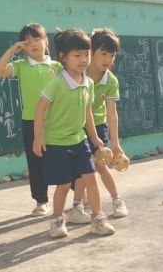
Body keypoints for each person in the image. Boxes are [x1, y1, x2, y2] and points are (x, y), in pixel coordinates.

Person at [33, 28, 115, 238]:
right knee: (64, 184)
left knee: (90, 178)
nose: (83, 60)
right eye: (77, 55)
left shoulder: (88, 83)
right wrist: (38, 137)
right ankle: (58, 221)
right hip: (56, 142)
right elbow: (40, 108)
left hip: (79, 141)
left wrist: (95, 138)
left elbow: (87, 111)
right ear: (63, 57)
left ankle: (98, 219)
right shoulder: (57, 82)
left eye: (86, 54)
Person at [0, 23, 60, 216]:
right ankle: (41, 201)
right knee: (36, 162)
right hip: (31, 121)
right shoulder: (21, 66)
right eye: (28, 42)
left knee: (63, 158)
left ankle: (79, 196)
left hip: (57, 121)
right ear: (23, 47)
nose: (34, 44)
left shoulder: (58, 67)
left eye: (37, 39)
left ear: (46, 41)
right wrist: (12, 51)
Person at [69, 28, 128, 219]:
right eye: (103, 53)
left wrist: (116, 144)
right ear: (91, 51)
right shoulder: (77, 73)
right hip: (77, 125)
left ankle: (117, 200)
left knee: (99, 165)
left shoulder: (111, 80)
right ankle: (77, 207)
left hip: (99, 125)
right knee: (83, 168)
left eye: (112, 55)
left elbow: (112, 113)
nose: (108, 60)